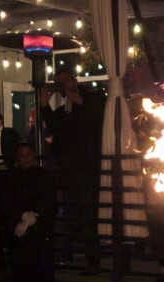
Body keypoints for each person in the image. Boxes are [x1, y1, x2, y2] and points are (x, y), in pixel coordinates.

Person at [39, 67, 106, 261]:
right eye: (59, 82)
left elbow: (90, 114)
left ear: (74, 80)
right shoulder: (63, 111)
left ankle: (92, 259)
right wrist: (44, 105)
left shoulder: (92, 97)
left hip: (88, 167)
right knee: (69, 213)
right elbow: (55, 127)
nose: (62, 86)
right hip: (68, 169)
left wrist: (67, 91)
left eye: (64, 81)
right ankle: (67, 255)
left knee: (89, 214)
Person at [0, 143, 56, 282]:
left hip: (39, 233)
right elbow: (6, 201)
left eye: (28, 154)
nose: (26, 158)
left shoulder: (44, 177)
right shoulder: (10, 178)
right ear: (17, 157)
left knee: (41, 277)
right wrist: (21, 217)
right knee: (21, 277)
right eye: (22, 155)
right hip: (18, 232)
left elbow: (49, 201)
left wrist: (34, 216)